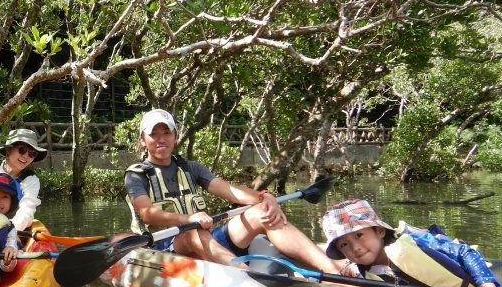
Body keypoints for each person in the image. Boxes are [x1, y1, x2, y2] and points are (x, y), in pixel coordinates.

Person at [124, 109, 343, 273]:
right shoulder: (137, 175)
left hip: (203, 238)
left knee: (261, 212)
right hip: (163, 250)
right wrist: (188, 218)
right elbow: (147, 213)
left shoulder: (190, 168)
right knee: (191, 231)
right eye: (154, 134)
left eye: (166, 132)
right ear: (143, 140)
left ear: (174, 136)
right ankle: (248, 280)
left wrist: (265, 197)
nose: (161, 139)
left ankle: (333, 269)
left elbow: (230, 191)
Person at [322, 199, 502, 287]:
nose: (355, 247)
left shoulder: (415, 242)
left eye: (359, 235)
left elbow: (464, 252)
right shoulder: (361, 272)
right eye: (344, 245)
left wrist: (486, 286)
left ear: (380, 231)